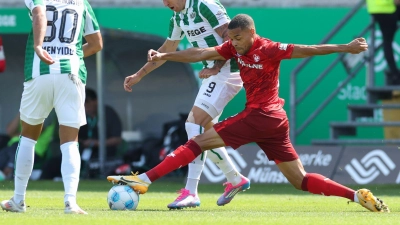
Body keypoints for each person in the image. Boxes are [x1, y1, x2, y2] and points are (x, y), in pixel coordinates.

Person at [108, 14, 390, 213]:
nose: (235, 43)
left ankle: (143, 180)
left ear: (252, 33)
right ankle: (356, 195)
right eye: (232, 38)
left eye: (239, 37)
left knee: (198, 140)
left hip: (261, 116)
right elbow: (200, 53)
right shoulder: (232, 47)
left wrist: (347, 47)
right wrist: (165, 56)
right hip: (274, 122)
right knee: (300, 180)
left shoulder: (268, 48)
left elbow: (309, 49)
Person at [122, 0, 249, 209]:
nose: (165, 3)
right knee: (204, 132)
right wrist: (139, 75)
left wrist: (216, 66)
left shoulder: (204, 5)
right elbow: (167, 49)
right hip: (213, 75)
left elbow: (231, 37)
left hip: (228, 72)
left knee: (193, 125)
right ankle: (235, 179)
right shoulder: (177, 17)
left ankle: (191, 192)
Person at [0, 0, 102, 214]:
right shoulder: (82, 3)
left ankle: (18, 199)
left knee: (27, 138)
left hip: (40, 73)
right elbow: (96, 44)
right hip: (71, 74)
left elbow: (39, 14)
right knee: (70, 141)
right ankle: (70, 203)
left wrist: (39, 46)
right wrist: (70, 54)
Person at [78, 88, 123, 177]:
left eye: (87, 101)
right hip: (84, 150)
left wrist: (97, 143)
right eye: (81, 102)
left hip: (106, 151)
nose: (84, 105)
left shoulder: (108, 113)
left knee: (93, 161)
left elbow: (117, 139)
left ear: (96, 101)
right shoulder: (81, 116)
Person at [366, 0, 400, 85]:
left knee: (387, 41)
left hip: (374, 8)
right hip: (388, 8)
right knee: (387, 41)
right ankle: (395, 74)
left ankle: (394, 73)